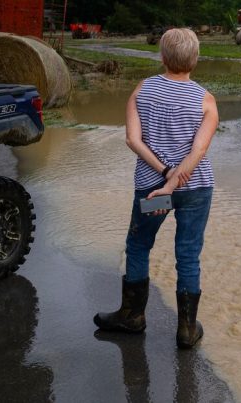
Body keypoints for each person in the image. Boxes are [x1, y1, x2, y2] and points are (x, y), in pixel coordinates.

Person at [94, 28, 218, 349]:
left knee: (139, 246)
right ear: (195, 59)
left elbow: (133, 140)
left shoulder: (143, 89)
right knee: (188, 255)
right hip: (195, 188)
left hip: (152, 189)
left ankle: (132, 317)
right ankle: (187, 331)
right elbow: (199, 151)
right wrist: (175, 181)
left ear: (162, 57)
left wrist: (164, 178)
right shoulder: (206, 100)